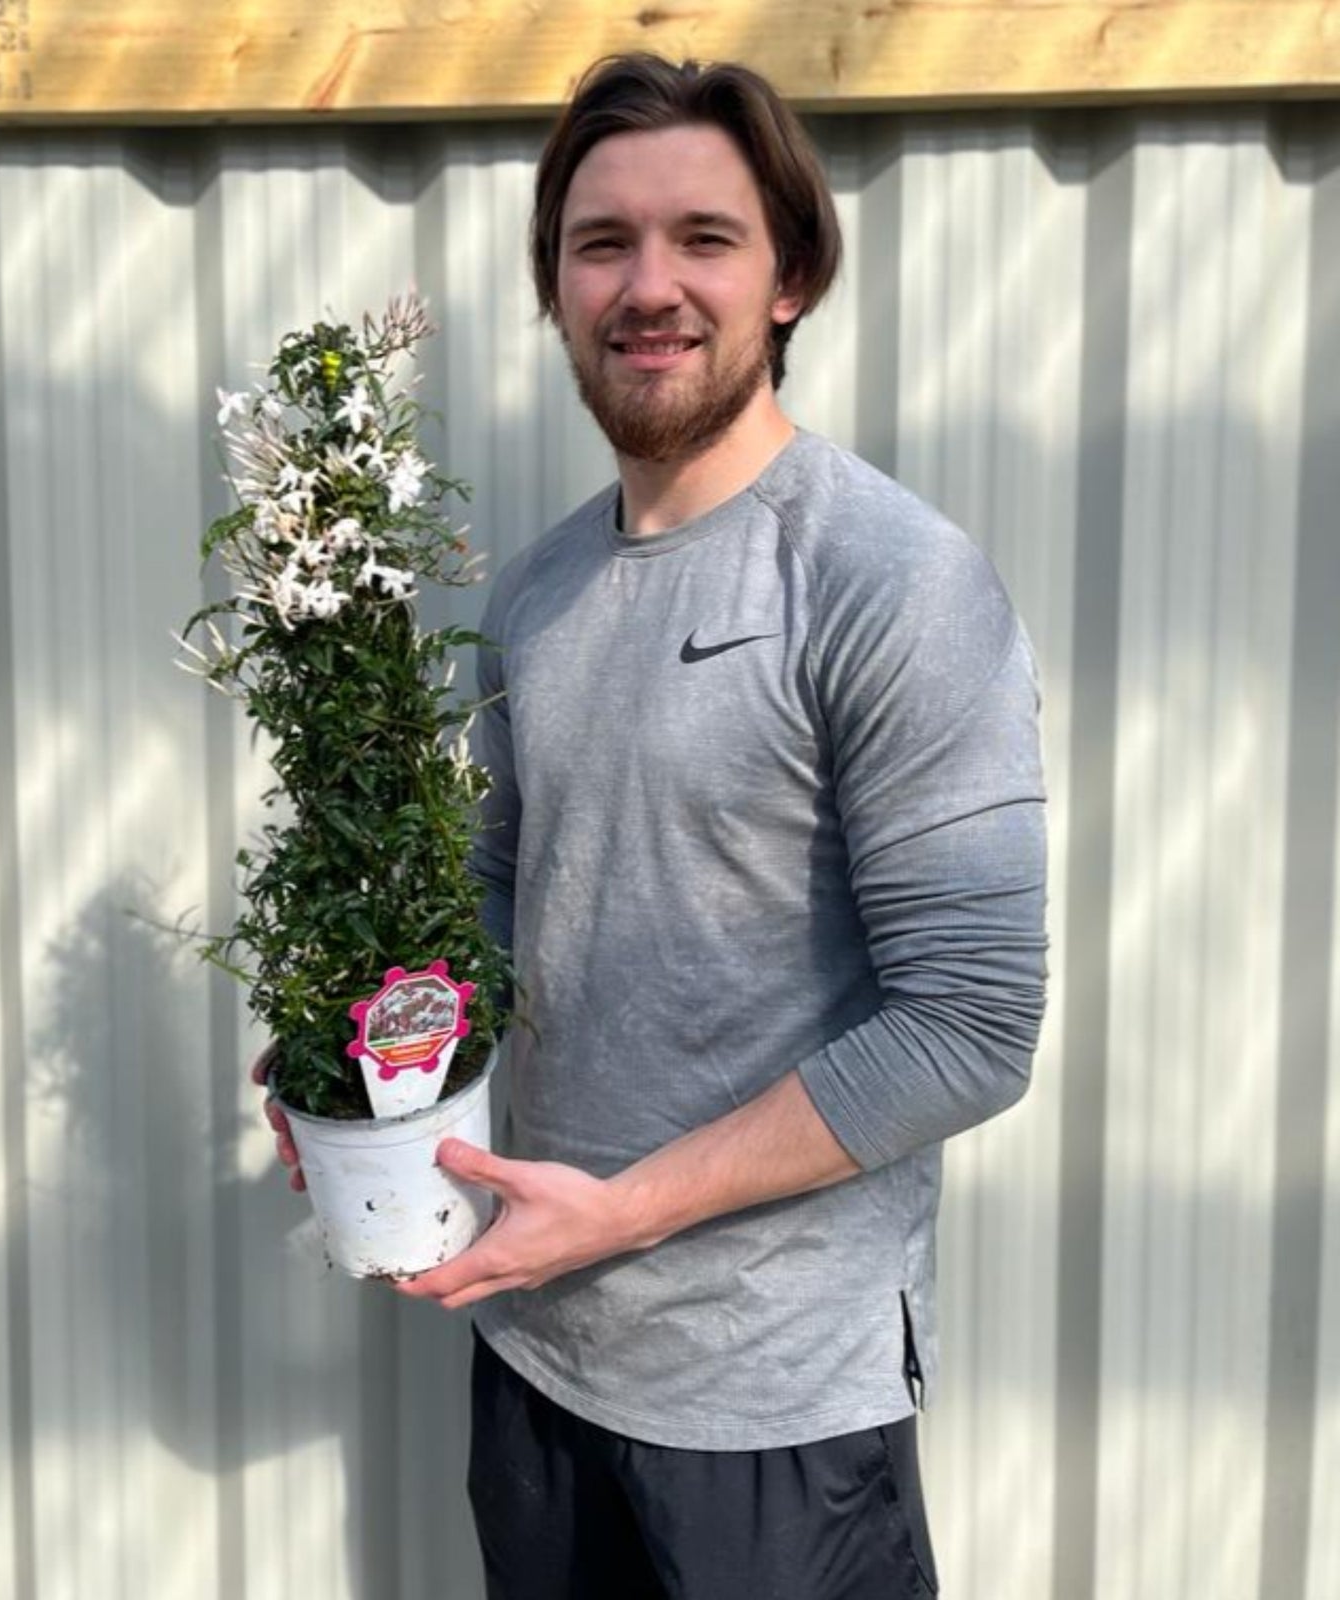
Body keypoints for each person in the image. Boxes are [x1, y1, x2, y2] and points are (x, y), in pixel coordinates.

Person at [259, 51, 1047, 1598]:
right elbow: (497, 905)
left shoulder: (891, 581)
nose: (649, 286)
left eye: (705, 236)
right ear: (555, 287)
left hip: (771, 1411)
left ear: (793, 277)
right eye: (600, 242)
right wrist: (366, 1061)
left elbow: (972, 1023)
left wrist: (613, 1216)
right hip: (539, 1354)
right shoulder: (540, 592)